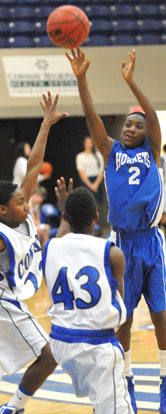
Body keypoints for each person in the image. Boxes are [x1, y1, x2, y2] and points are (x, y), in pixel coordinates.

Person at [66, 48, 166, 414]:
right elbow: (91, 117)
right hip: (121, 244)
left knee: (159, 314)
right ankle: (126, 378)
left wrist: (131, 82)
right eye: (128, 123)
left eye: (138, 124)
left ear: (147, 133)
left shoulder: (154, 153)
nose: (131, 127)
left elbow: (155, 118)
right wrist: (82, 79)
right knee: (123, 318)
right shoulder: (110, 151)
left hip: (150, 242)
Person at [0, 92, 70, 414]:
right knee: (49, 355)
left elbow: (34, 165)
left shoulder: (21, 209)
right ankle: (14, 408)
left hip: (13, 296)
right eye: (19, 202)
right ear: (2, 210)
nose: (26, 203)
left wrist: (45, 125)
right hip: (4, 302)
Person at [42, 186, 133, 414]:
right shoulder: (112, 253)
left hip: (61, 341)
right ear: (96, 217)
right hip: (97, 345)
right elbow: (118, 299)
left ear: (64, 217)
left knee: (99, 397)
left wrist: (65, 209)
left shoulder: (49, 247)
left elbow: (61, 239)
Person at [76, 135, 104, 201]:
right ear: (84, 143)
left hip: (97, 182)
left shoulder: (98, 155)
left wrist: (96, 185)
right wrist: (91, 186)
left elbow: (101, 170)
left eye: (91, 142)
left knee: (98, 203)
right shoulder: (80, 156)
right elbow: (81, 173)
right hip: (86, 182)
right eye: (87, 142)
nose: (89, 143)